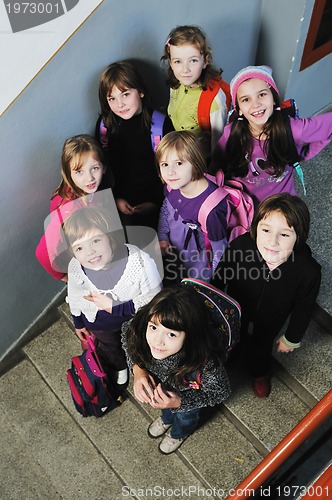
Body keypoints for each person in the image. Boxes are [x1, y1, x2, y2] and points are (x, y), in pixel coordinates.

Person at [213, 193, 321, 398]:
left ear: (299, 237)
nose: (272, 242)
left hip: (273, 316)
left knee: (261, 346)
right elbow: (221, 274)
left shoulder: (308, 272)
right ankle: (231, 355)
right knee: (233, 336)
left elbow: (303, 308)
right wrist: (212, 301)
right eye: (265, 230)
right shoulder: (241, 246)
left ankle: (260, 371)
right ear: (255, 229)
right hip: (237, 306)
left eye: (285, 234)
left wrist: (291, 338)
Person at [121, 285, 231, 454]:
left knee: (185, 418)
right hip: (162, 388)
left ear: (190, 336)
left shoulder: (206, 362)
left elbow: (221, 391)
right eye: (154, 328)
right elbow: (127, 334)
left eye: (171, 334)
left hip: (187, 395)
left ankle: (179, 433)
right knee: (165, 408)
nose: (157, 341)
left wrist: (181, 402)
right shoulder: (141, 329)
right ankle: (166, 419)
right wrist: (138, 369)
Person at [62, 206, 162, 390]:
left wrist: (116, 307)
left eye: (96, 240)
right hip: (99, 324)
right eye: (79, 247)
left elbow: (154, 299)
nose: (90, 252)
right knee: (110, 347)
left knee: (135, 343)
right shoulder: (76, 267)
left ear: (110, 236)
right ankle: (119, 365)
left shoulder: (139, 261)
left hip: (133, 321)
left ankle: (139, 365)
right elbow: (75, 295)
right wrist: (78, 321)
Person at [210, 65, 332, 207]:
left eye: (262, 94)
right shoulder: (231, 133)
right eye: (246, 100)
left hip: (281, 204)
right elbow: (216, 165)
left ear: (274, 99)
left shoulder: (293, 129)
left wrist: (304, 154)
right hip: (242, 205)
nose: (256, 104)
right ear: (239, 110)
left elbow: (328, 127)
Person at [96, 60, 173, 230]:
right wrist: (115, 199)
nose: (120, 104)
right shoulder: (105, 126)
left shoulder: (161, 125)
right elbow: (103, 169)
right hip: (119, 204)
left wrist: (155, 201)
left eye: (125, 94)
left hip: (158, 202)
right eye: (112, 98)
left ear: (141, 92)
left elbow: (172, 169)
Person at [35, 134, 112, 281]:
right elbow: (42, 252)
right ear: (68, 175)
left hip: (94, 250)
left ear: (104, 168)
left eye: (94, 168)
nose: (89, 178)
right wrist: (65, 277)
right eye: (79, 171)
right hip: (81, 260)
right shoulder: (67, 211)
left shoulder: (91, 190)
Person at [156, 131, 228, 283]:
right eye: (165, 164)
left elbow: (219, 251)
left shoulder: (211, 209)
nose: (170, 172)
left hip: (200, 273)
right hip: (176, 259)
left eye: (179, 163)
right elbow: (166, 211)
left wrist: (210, 284)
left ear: (195, 163)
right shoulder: (172, 187)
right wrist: (163, 237)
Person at [161, 25, 230, 157]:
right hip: (180, 152)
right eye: (178, 62)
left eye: (193, 60)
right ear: (170, 62)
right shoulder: (176, 84)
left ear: (205, 61)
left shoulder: (214, 100)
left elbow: (219, 144)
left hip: (201, 160)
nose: (185, 69)